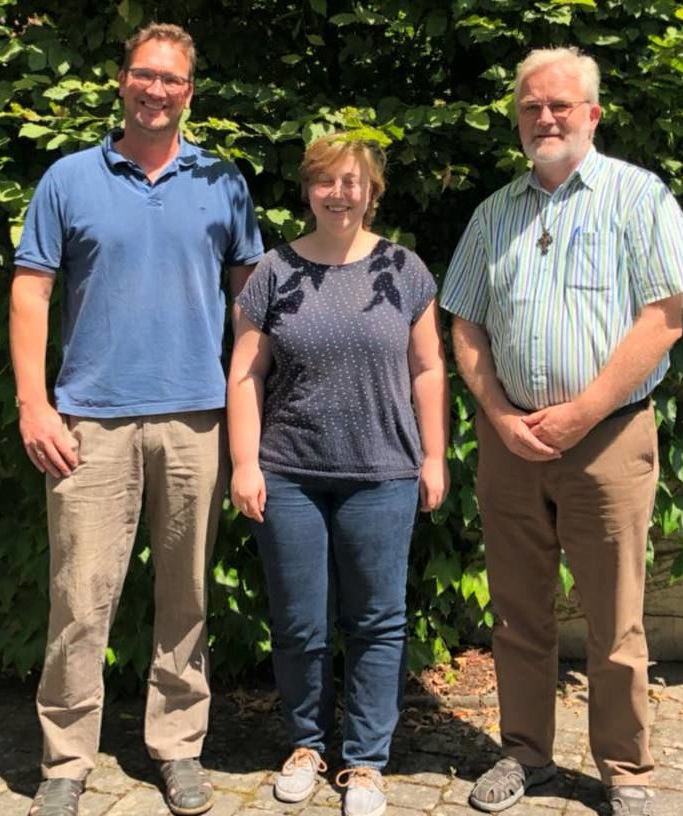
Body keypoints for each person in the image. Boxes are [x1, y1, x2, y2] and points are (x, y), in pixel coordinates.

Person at [441, 47, 683, 816]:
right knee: (516, 613)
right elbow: (465, 324)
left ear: (591, 113)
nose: (544, 118)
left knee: (614, 618)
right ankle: (525, 753)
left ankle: (625, 770)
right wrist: (499, 417)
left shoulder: (637, 197)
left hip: (607, 441)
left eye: (559, 105)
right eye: (530, 106)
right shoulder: (493, 213)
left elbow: (662, 319)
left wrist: (581, 412)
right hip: (511, 445)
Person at [9, 22, 263, 816]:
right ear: (122, 81)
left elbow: (249, 298)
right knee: (79, 599)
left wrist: (250, 403)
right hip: (89, 422)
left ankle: (178, 746)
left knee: (186, 597)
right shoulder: (68, 178)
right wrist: (33, 404)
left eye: (171, 79)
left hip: (196, 417)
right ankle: (65, 760)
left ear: (190, 92)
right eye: (144, 74)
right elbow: (30, 292)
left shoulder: (222, 180)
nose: (156, 89)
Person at [227, 133, 449, 816]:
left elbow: (428, 367)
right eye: (325, 181)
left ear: (371, 191)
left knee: (378, 621)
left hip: (383, 471)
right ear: (307, 191)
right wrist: (244, 462)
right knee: (299, 623)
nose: (339, 193)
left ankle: (365, 762)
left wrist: (434, 455)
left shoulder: (403, 270)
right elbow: (245, 372)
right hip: (289, 472)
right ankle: (306, 745)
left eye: (352, 181)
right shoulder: (274, 271)